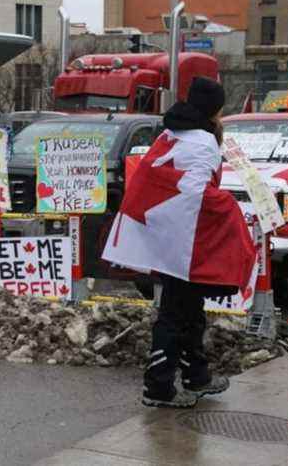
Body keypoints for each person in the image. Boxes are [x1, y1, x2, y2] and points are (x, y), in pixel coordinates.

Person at [102, 76, 256, 409]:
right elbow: (195, 193)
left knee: (188, 309)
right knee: (177, 312)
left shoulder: (173, 132)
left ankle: (195, 376)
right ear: (215, 109)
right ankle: (158, 388)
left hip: (164, 229)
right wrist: (226, 207)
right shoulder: (201, 142)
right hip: (182, 237)